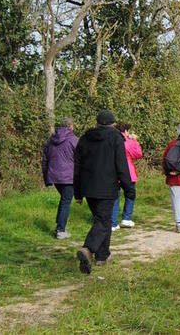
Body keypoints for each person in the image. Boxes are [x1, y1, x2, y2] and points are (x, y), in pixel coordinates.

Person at [74, 110, 134, 274]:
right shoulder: (116, 138)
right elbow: (121, 165)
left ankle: (102, 256)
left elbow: (77, 167)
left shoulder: (85, 138)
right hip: (107, 186)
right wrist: (129, 189)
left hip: (88, 187)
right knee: (102, 221)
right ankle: (88, 248)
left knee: (103, 220)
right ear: (113, 123)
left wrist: (78, 192)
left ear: (98, 122)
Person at [42, 117, 78, 239]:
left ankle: (59, 226)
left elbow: (45, 160)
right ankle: (60, 230)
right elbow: (81, 158)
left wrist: (46, 177)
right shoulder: (73, 140)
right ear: (70, 126)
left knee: (64, 200)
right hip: (68, 176)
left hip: (54, 176)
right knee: (66, 201)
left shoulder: (50, 140)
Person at [111, 123, 143, 230]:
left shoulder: (111, 141)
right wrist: (134, 141)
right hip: (128, 172)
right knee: (130, 195)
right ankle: (126, 218)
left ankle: (113, 223)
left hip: (113, 172)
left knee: (115, 197)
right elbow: (138, 154)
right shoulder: (128, 142)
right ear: (125, 131)